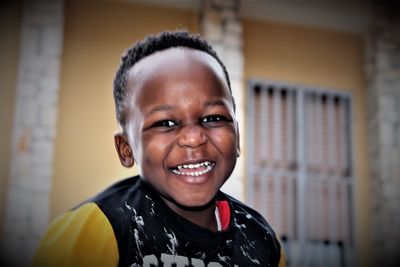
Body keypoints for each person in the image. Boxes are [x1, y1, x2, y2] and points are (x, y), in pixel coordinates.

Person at [33, 31, 286, 267]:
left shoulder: (263, 242)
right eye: (165, 123)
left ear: (238, 136)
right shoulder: (98, 230)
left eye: (213, 118)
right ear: (126, 149)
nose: (193, 138)